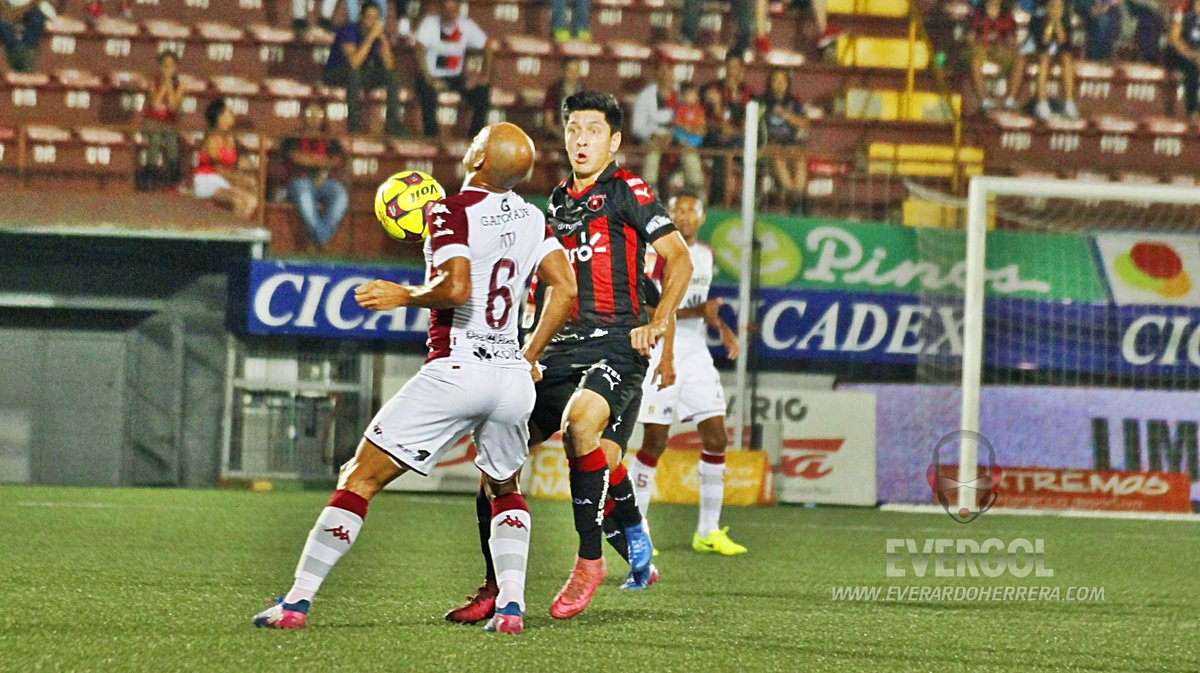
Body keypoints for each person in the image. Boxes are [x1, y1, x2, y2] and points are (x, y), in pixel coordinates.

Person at [252, 122, 578, 636]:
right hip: (513, 377)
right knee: (503, 486)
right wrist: (528, 354)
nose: (472, 142)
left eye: (479, 139)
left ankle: (296, 601)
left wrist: (403, 294)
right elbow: (565, 289)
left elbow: (455, 287)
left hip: (459, 368)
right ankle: (511, 608)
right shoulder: (535, 217)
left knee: (359, 477)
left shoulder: (450, 211)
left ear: (479, 159)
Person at [446, 92, 694, 624]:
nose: (582, 139)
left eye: (594, 130)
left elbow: (679, 257)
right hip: (560, 346)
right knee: (495, 462)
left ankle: (589, 562)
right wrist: (528, 347)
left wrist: (659, 321)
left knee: (583, 427)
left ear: (615, 141)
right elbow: (545, 285)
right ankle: (494, 584)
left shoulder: (628, 190)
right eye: (574, 129)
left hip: (618, 342)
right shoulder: (554, 202)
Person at [627, 192, 745, 556]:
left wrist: (720, 325)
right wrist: (701, 314)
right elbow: (659, 309)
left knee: (716, 438)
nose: (684, 216)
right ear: (668, 214)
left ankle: (707, 530)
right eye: (677, 210)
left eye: (691, 211)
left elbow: (697, 308)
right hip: (660, 349)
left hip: (695, 355)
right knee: (655, 442)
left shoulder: (706, 255)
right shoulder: (656, 253)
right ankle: (638, 529)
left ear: (702, 216)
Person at [323, 2, 404, 136]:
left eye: (375, 18)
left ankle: (392, 125)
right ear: (361, 18)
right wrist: (371, 38)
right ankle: (354, 127)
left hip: (361, 73)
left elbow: (390, 66)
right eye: (369, 17)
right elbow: (354, 62)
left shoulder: (380, 35)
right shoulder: (348, 31)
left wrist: (383, 41)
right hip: (336, 73)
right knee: (354, 74)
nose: (372, 22)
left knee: (392, 77)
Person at [414, 0, 491, 138]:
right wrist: (429, 79)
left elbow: (487, 45)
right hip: (430, 75)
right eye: (447, 10)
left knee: (482, 91)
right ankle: (431, 136)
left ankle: (474, 135)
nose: (450, 14)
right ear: (440, 9)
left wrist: (484, 75)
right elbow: (419, 50)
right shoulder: (430, 23)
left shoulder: (466, 25)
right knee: (426, 91)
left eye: (453, 10)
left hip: (455, 77)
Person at [281, 101, 348, 248]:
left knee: (340, 194)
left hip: (325, 182)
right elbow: (296, 158)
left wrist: (314, 162)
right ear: (303, 117)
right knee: (304, 195)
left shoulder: (330, 139)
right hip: (300, 181)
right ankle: (321, 240)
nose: (314, 117)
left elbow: (337, 160)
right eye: (310, 113)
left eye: (317, 114)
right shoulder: (293, 137)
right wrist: (322, 162)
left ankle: (318, 238)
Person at [632, 60, 704, 196]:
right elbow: (637, 127)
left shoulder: (681, 94)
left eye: (669, 71)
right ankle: (650, 196)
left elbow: (692, 118)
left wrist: (676, 135)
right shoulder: (645, 96)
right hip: (653, 138)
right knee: (652, 153)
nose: (666, 75)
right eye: (662, 71)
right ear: (655, 73)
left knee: (690, 153)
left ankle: (698, 196)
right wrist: (654, 135)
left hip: (678, 137)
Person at [193, 98, 258, 219]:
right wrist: (238, 179)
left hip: (223, 180)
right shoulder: (212, 138)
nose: (232, 114)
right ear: (219, 117)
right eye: (228, 112)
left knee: (252, 201)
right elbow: (217, 168)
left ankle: (239, 234)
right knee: (239, 202)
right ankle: (233, 234)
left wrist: (247, 176)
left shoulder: (230, 138)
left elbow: (235, 164)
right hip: (208, 180)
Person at [759, 67, 809, 213]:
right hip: (768, 144)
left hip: (789, 144)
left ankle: (797, 200)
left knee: (799, 158)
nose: (779, 84)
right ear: (770, 83)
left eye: (783, 80)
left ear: (788, 83)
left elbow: (805, 123)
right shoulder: (762, 101)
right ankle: (795, 199)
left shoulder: (794, 102)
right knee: (777, 157)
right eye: (776, 80)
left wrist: (786, 114)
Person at [1023, 0, 1079, 119]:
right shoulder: (1038, 19)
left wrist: (1058, 23)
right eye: (1053, 6)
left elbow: (1065, 44)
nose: (1056, 9)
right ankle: (1042, 103)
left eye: (1060, 7)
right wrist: (1050, 24)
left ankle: (1069, 103)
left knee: (1067, 59)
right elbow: (1043, 43)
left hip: (1056, 52)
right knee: (1044, 59)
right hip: (1037, 52)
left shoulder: (1066, 20)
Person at [138, 50, 185, 191]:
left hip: (169, 121)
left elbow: (172, 107)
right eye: (164, 66)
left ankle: (174, 180)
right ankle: (149, 178)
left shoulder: (180, 85)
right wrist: (163, 85)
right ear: (160, 67)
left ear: (175, 68)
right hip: (153, 120)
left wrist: (170, 86)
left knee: (171, 144)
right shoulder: (153, 82)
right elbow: (155, 104)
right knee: (155, 140)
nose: (167, 69)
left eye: (171, 66)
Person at [968, 0, 1024, 112]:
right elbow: (971, 37)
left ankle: (1010, 99)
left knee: (1020, 61)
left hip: (1001, 51)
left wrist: (1006, 46)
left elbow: (1012, 38)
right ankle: (984, 99)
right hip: (982, 49)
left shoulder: (1007, 15)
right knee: (975, 61)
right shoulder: (978, 14)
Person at [0, 0, 48, 72]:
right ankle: (25, 64)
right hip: (7, 19)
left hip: (30, 16)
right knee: (3, 27)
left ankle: (22, 61)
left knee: (37, 17)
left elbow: (50, 13)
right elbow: (6, 12)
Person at [542, 58, 584, 138]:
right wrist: (563, 136)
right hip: (556, 135)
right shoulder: (554, 90)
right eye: (570, 71)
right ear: (563, 72)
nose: (573, 74)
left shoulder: (583, 91)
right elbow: (548, 122)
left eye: (576, 71)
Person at [672, 83, 706, 150]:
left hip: (694, 130)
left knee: (700, 135)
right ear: (683, 97)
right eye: (690, 95)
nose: (693, 97)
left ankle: (691, 144)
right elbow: (677, 121)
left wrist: (696, 128)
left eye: (694, 95)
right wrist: (685, 127)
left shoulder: (699, 109)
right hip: (683, 129)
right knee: (676, 132)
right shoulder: (681, 108)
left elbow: (702, 121)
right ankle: (684, 143)